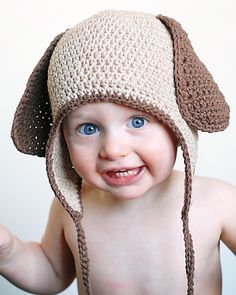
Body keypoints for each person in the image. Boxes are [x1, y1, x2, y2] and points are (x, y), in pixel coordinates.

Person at [1, 9, 235, 295]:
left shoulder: (217, 201)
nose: (112, 150)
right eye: (88, 128)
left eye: (138, 122)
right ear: (62, 139)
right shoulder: (72, 205)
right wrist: (8, 250)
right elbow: (51, 274)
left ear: (178, 124)